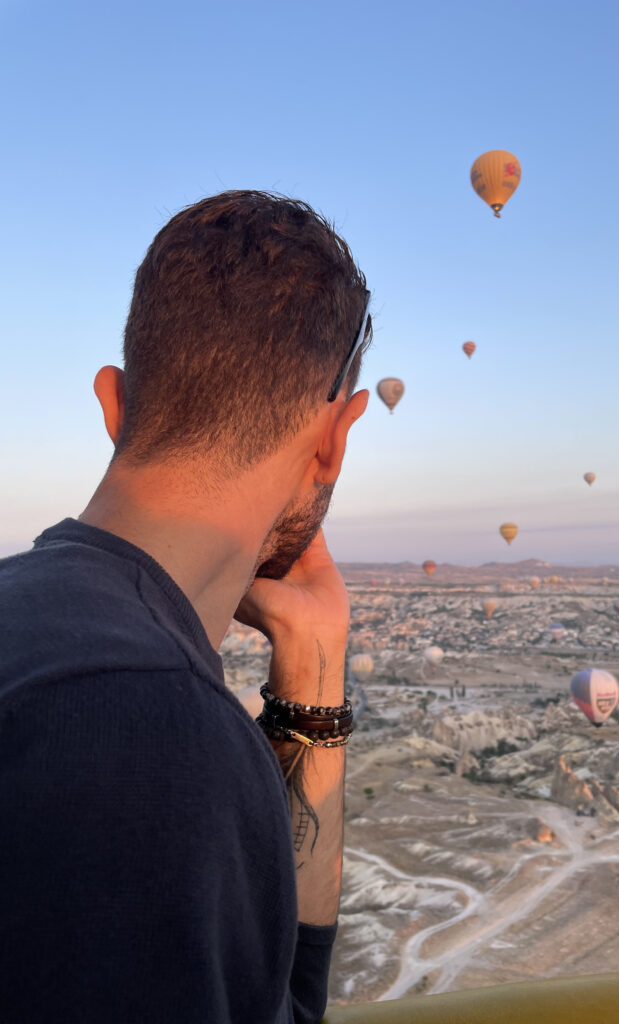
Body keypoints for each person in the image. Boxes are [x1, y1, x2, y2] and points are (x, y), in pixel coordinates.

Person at [0, 191, 373, 1023]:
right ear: (335, 436)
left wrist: (312, 673)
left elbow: (275, 1000)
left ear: (115, 404)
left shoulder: (38, 629)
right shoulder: (149, 728)